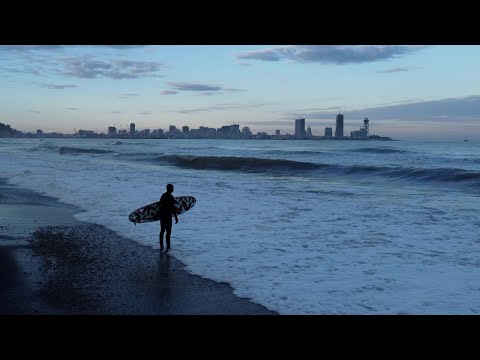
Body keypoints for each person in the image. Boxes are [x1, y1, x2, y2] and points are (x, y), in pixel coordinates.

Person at [159, 183, 178, 252]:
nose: (173, 189)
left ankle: (162, 247)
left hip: (163, 216)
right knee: (167, 232)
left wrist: (175, 217)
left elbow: (160, 206)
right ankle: (167, 247)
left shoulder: (163, 196)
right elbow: (173, 208)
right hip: (167, 217)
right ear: (169, 189)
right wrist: (175, 217)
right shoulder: (170, 197)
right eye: (172, 188)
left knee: (163, 232)